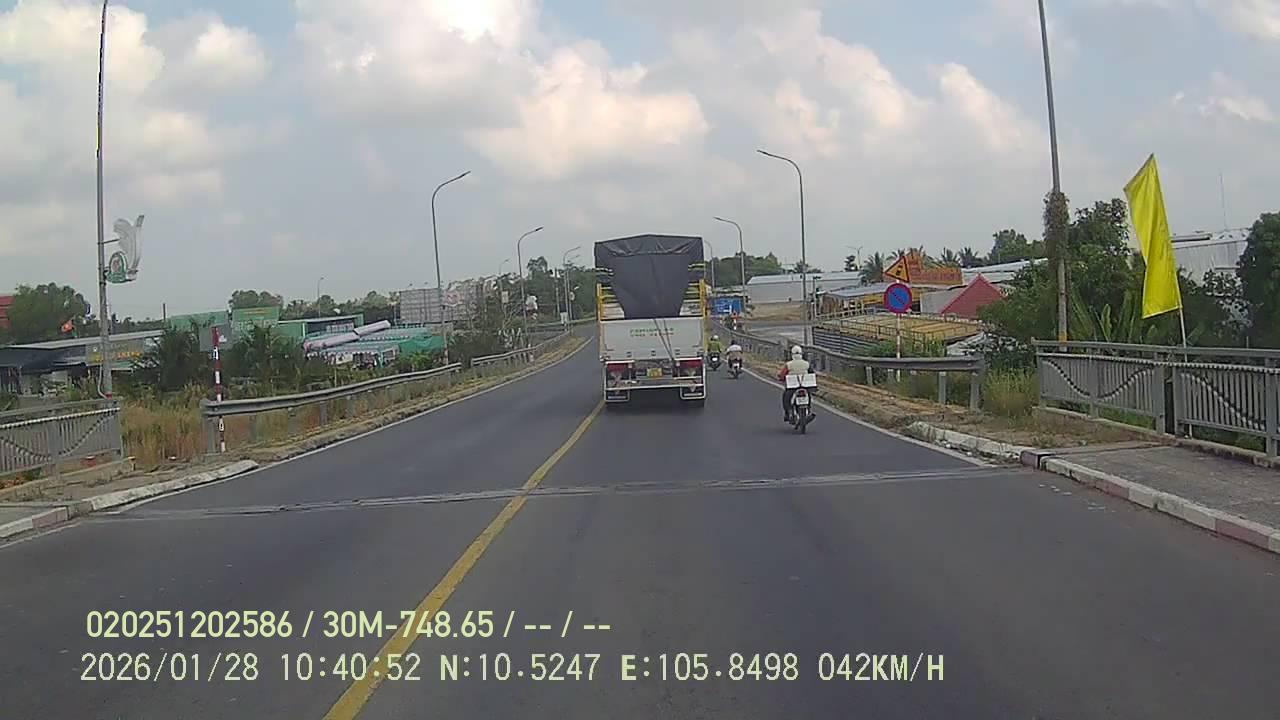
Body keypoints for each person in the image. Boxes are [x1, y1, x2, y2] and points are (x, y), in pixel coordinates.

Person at [776, 345, 811, 422]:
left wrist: (781, 378)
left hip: (792, 386)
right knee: (808, 395)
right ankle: (808, 409)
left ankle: (788, 412)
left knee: (786, 398)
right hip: (805, 385)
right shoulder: (806, 364)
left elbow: (782, 374)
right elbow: (811, 373)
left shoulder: (789, 364)